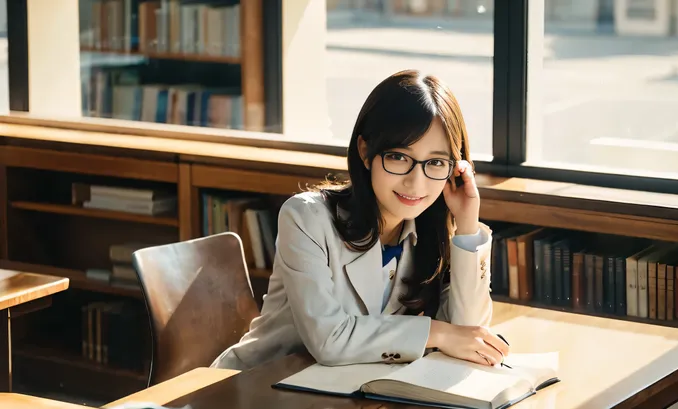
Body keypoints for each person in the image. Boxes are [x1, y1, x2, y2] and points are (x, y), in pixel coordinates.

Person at [211, 69, 509, 371]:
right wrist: (439, 332)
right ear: (366, 152)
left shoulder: (431, 229)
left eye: (435, 162)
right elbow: (329, 340)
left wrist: (468, 225)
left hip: (344, 391)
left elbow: (469, 335)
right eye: (398, 157)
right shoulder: (306, 218)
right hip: (254, 385)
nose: (416, 183)